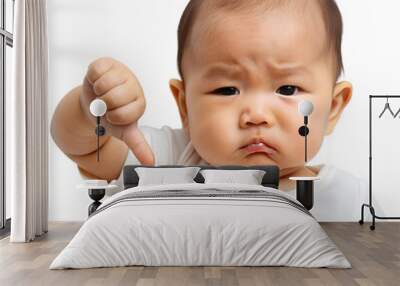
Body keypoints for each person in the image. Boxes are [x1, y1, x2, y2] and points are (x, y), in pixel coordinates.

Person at [51, 0, 366, 221]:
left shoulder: (347, 197)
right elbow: (79, 145)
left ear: (333, 108)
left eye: (286, 89)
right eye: (227, 90)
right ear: (185, 106)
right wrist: (89, 107)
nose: (256, 115)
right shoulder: (167, 157)